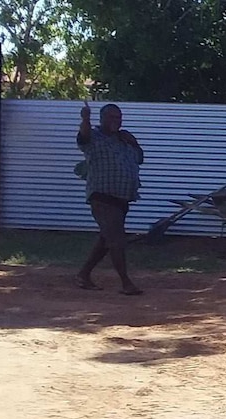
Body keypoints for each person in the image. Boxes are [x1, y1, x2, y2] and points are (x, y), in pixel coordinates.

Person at [75, 102, 144, 295]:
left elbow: (139, 158)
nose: (116, 121)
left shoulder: (123, 139)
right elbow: (83, 137)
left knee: (108, 238)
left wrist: (134, 143)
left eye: (119, 118)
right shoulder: (94, 137)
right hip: (102, 196)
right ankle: (126, 282)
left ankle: (83, 274)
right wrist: (85, 118)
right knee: (117, 240)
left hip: (122, 198)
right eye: (112, 117)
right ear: (102, 118)